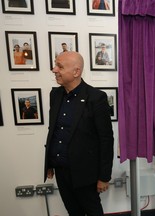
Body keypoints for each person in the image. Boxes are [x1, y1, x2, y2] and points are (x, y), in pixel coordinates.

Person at [44, 51, 114, 216]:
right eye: (55, 65)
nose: (54, 69)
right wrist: (49, 162)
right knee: (73, 212)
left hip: (86, 173)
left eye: (60, 66)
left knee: (93, 212)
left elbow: (106, 139)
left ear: (76, 72)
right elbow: (54, 130)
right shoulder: (55, 95)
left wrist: (104, 176)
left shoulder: (96, 98)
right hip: (62, 170)